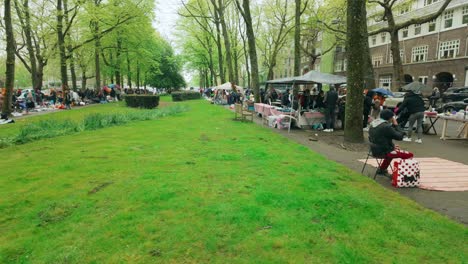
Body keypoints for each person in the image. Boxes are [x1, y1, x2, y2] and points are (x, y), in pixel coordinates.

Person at [369, 109, 413, 176]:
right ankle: (403, 175)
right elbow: (399, 137)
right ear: (390, 118)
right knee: (409, 155)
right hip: (384, 151)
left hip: (374, 149)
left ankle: (382, 169)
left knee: (392, 151)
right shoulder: (386, 126)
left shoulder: (373, 124)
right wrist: (396, 125)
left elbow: (381, 139)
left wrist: (392, 146)